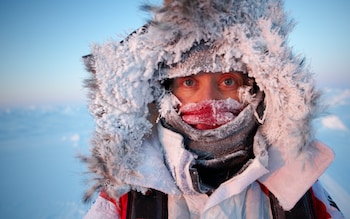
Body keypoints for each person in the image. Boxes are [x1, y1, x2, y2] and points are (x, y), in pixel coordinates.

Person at [81, 0, 344, 218]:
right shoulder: (127, 192)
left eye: (227, 81)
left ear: (257, 89)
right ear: (165, 93)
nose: (208, 100)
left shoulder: (296, 184)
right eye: (189, 82)